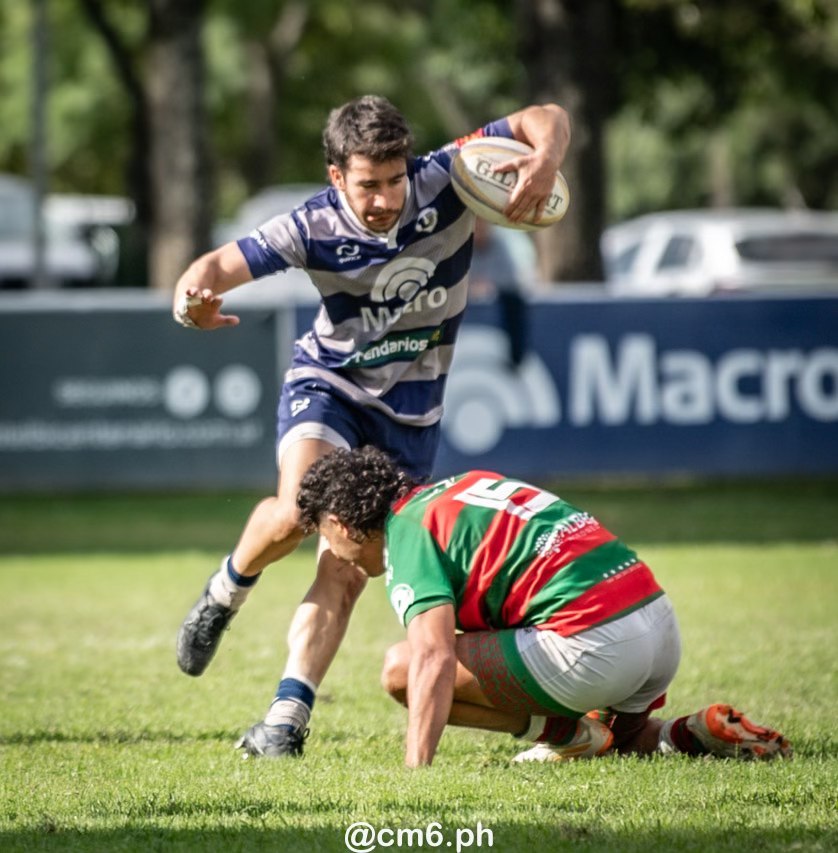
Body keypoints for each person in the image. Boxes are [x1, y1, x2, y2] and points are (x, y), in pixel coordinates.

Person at [170, 95, 571, 758]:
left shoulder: (451, 174)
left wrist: (544, 160)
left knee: (348, 565)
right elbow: (211, 268)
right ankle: (225, 591)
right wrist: (193, 302)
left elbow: (545, 115)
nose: (386, 198)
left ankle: (284, 719)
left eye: (394, 180)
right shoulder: (310, 226)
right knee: (300, 509)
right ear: (337, 178)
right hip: (330, 386)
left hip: (413, 412)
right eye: (368, 185)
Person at [296, 446, 793, 768]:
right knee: (623, 741)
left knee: (401, 669)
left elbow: (433, 658)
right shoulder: (462, 486)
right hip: (658, 622)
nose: (336, 554)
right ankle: (693, 732)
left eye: (323, 536)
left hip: (596, 643)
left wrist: (414, 772)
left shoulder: (407, 533)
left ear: (340, 524)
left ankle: (564, 733)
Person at [469, 218, 529, 366]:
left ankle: (516, 357)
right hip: (457, 298)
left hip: (496, 298)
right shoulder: (458, 245)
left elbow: (510, 281)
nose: (480, 228)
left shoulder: (500, 245)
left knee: (514, 302)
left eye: (483, 224)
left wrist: (489, 287)